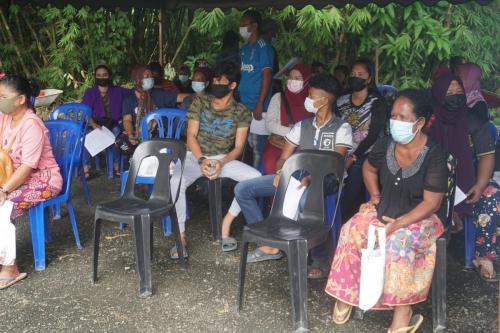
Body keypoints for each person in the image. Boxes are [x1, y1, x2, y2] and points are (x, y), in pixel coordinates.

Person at [326, 89, 447, 333]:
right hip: (384, 208)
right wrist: (375, 196)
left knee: (397, 243)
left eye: (403, 118)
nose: (396, 122)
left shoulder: (434, 154)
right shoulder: (386, 144)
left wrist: (399, 223)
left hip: (419, 218)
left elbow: (432, 202)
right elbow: (369, 169)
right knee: (353, 229)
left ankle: (403, 312)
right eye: (394, 116)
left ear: (419, 122)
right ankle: (347, 294)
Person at [230, 74, 352, 273]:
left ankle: (318, 258)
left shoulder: (342, 128)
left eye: (311, 96)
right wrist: (280, 172)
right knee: (243, 190)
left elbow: (334, 165)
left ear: (325, 100)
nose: (308, 100)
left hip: (325, 182)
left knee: (307, 200)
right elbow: (284, 157)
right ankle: (268, 243)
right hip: (294, 180)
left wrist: (311, 178)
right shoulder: (302, 126)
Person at [169, 61, 261, 258]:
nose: (215, 83)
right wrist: (202, 160)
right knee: (175, 181)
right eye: (214, 80)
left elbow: (238, 147)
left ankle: (227, 222)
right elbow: (191, 136)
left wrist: (221, 163)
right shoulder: (200, 103)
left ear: (233, 85)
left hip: (222, 159)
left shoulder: (242, 111)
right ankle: (181, 236)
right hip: (195, 156)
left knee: (255, 177)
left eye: (220, 80)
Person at [427, 73, 498, 281]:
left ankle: (483, 256)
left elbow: (487, 156)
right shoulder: (429, 120)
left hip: (469, 182)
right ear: (439, 94)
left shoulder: (474, 121)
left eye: (459, 91)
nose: (455, 95)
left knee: (492, 197)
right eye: (449, 92)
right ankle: (425, 253)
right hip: (434, 181)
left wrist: (480, 183)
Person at [0, 76, 63, 289]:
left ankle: (10, 268)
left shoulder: (32, 124)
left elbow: (27, 167)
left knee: (5, 205)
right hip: (15, 177)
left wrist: (3, 189)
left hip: (44, 180)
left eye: (3, 97)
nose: (0, 100)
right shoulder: (6, 118)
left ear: (20, 99)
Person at [337, 58, 388, 221]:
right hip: (341, 148)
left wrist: (353, 156)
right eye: (352, 74)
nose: (355, 77)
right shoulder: (341, 100)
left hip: (366, 151)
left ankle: (342, 216)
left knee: (357, 170)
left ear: (369, 79)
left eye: (360, 74)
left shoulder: (377, 102)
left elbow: (373, 135)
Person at [238, 9, 275, 169]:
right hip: (244, 105)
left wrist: (260, 103)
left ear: (255, 25)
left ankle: (257, 188)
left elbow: (266, 76)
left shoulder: (264, 47)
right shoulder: (245, 49)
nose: (241, 28)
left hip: (259, 107)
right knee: (244, 147)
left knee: (258, 150)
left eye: (244, 25)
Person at [121, 65, 184, 154]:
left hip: (159, 132)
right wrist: (130, 134)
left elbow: (180, 97)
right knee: (121, 142)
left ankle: (153, 159)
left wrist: (199, 96)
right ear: (137, 79)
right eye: (146, 77)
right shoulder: (129, 99)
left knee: (157, 141)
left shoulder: (158, 94)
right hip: (137, 131)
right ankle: (136, 160)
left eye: (151, 76)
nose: (150, 79)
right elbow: (127, 120)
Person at [262, 64, 312, 175]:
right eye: (290, 77)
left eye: (297, 78)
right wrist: (294, 132)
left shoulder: (312, 101)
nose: (292, 81)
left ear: (307, 80)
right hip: (278, 144)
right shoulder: (279, 97)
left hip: (302, 148)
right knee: (270, 163)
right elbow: (270, 124)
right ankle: (273, 192)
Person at [81, 64, 130, 178]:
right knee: (86, 137)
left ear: (109, 76)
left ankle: (116, 167)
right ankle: (86, 169)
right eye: (98, 75)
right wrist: (93, 125)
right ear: (95, 77)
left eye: (104, 75)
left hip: (113, 123)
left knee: (116, 136)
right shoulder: (90, 92)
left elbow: (134, 93)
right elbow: (85, 111)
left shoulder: (118, 90)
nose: (102, 78)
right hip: (95, 124)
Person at [261, 18, 281, 95]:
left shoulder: (255, 46)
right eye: (275, 32)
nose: (275, 35)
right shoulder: (268, 49)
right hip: (268, 90)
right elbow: (268, 73)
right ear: (270, 32)